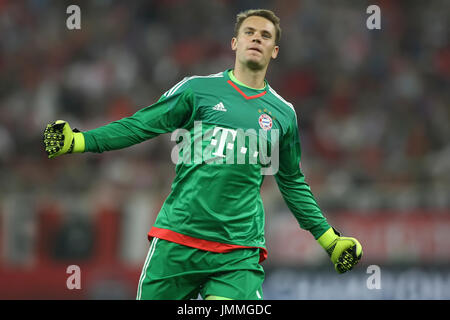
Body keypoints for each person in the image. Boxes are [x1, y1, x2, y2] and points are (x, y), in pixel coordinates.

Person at [43, 9, 362, 300]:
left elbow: (292, 183)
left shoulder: (283, 114)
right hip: (178, 241)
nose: (256, 39)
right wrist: (80, 141)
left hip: (237, 251)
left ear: (274, 51)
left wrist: (329, 240)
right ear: (235, 43)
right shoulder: (196, 91)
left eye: (265, 36)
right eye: (250, 32)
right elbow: (141, 125)